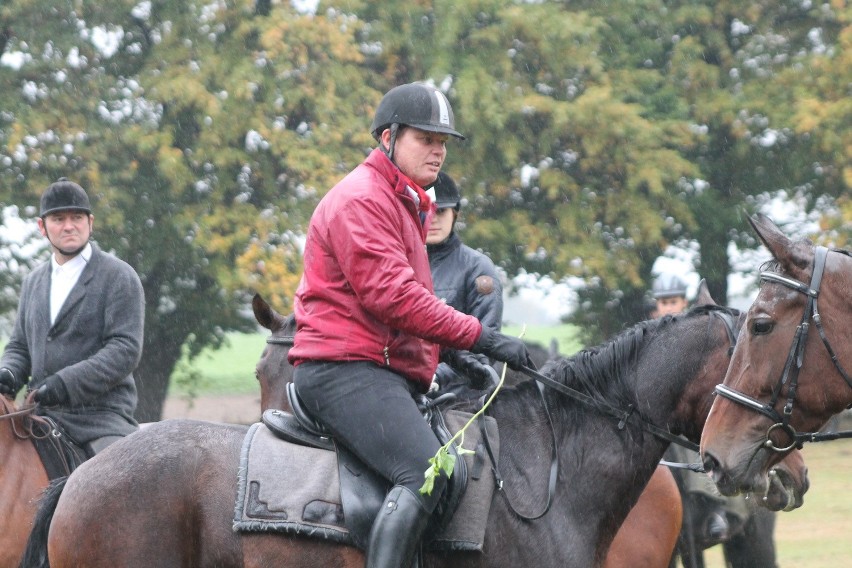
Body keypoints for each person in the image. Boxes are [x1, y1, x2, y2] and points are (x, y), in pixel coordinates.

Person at [288, 82, 532, 568]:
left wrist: (455, 355)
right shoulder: (362, 200)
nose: (438, 151)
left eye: (443, 142)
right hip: (342, 371)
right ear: (387, 137)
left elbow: (405, 311)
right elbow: (394, 298)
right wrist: (482, 337)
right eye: (426, 138)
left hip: (378, 370)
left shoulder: (404, 202)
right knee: (430, 472)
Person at [0, 178, 145, 459]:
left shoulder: (119, 276)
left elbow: (124, 351)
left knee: (115, 489)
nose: (69, 225)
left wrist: (64, 384)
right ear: (43, 227)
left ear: (90, 222)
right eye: (58, 218)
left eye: (76, 217)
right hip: (39, 418)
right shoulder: (33, 282)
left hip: (100, 420)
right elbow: (20, 347)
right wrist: (8, 373)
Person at [650, 273, 752, 559]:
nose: (668, 307)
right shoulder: (650, 340)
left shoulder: (697, 337)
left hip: (692, 416)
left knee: (699, 445)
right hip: (658, 419)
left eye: (673, 301)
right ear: (656, 308)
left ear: (684, 302)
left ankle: (717, 510)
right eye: (663, 302)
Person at [425, 171, 504, 395]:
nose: (433, 219)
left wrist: (437, 375)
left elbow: (485, 349)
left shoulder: (478, 269)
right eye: (426, 211)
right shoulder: (398, 264)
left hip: (459, 397)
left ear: (455, 213)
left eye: (441, 211)